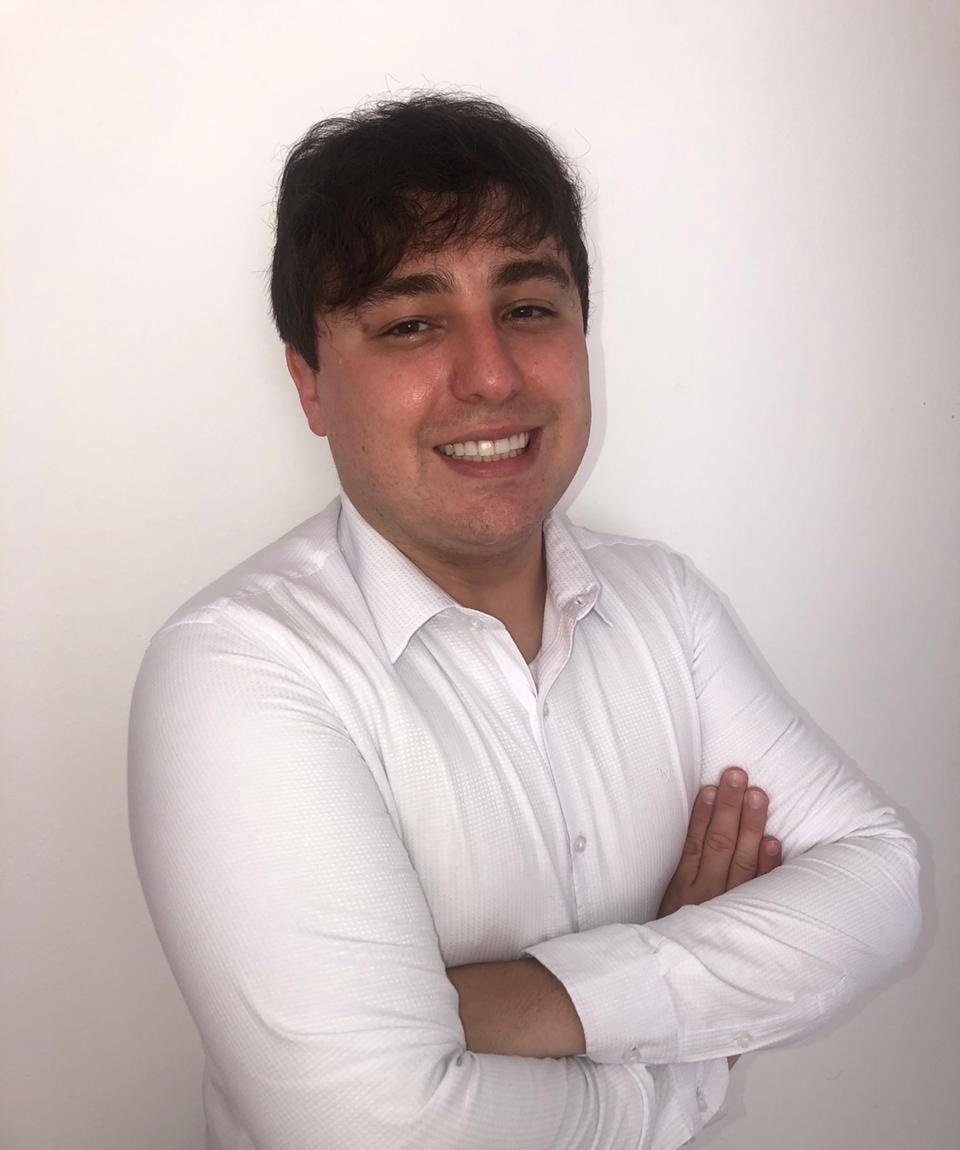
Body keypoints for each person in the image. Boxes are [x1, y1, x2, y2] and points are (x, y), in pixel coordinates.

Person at [128, 93, 920, 1150]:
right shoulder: (238, 668)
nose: (492, 374)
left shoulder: (666, 604)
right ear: (310, 385)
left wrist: (529, 1001)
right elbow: (370, 1128)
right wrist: (682, 1067)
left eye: (530, 307)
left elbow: (882, 880)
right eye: (411, 324)